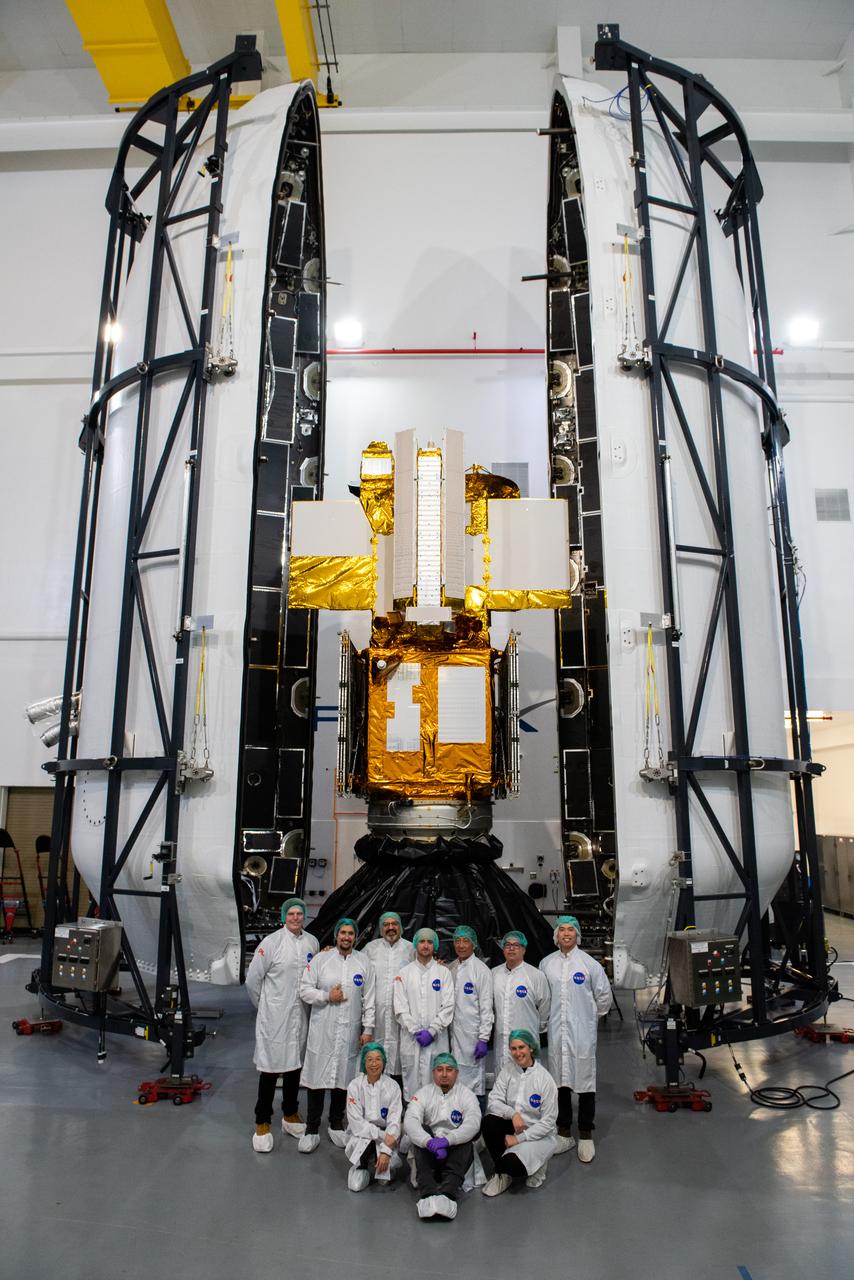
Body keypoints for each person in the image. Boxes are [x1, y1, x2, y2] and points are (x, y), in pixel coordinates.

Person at [245, 896, 318, 1152]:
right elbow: (253, 980)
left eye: (300, 914)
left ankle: (290, 1114)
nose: (296, 918)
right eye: (291, 914)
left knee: (294, 1066)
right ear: (284, 916)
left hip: (300, 1015)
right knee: (270, 1068)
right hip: (275, 1018)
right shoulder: (272, 942)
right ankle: (262, 1120)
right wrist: (266, 1007)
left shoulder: (312, 942)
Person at [298, 917, 376, 1152]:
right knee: (316, 1079)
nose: (346, 937)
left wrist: (368, 1029)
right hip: (323, 1030)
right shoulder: (321, 960)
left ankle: (336, 1124)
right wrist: (326, 997)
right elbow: (304, 989)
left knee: (344, 1078)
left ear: (356, 936)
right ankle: (312, 1129)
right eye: (343, 932)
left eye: (351, 933)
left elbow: (369, 999)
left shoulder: (364, 963)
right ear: (336, 935)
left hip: (350, 1031)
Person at [539, 914, 612, 1162]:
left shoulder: (590, 965)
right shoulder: (546, 964)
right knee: (559, 1081)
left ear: (577, 934)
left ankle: (585, 1133)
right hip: (557, 1032)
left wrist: (588, 1019)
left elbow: (604, 999)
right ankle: (563, 1131)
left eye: (571, 930)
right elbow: (543, 996)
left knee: (585, 1082)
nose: (566, 934)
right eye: (562, 930)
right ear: (556, 935)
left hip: (582, 1033)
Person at [404, 1052, 481, 1220]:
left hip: (454, 1153)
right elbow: (410, 1120)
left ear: (457, 1073)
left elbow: (473, 1123)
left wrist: (447, 1140)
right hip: (430, 1152)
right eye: (439, 1069)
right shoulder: (423, 1093)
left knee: (465, 1137)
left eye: (449, 1069)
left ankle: (448, 1193)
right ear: (433, 1073)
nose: (444, 1074)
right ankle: (428, 1193)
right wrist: (428, 1141)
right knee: (421, 1128)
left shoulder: (467, 1095)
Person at [481, 1029, 558, 1196]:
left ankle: (536, 1165)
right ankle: (501, 1175)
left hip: (538, 1135)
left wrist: (519, 1139)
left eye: (521, 1047)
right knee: (489, 1122)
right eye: (513, 1048)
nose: (517, 1053)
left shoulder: (545, 1080)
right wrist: (513, 1114)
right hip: (514, 1125)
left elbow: (548, 1122)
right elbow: (493, 1101)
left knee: (512, 1166)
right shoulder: (508, 1070)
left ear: (531, 1048)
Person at [393, 926, 455, 1100]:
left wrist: (432, 1030)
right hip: (411, 1039)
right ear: (415, 944)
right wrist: (416, 1030)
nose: (425, 945)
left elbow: (448, 1005)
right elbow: (400, 1007)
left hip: (436, 1039)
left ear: (434, 945)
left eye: (429, 941)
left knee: (437, 1081)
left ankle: (436, 1121)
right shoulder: (404, 974)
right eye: (422, 941)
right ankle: (413, 1120)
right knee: (412, 1082)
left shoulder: (444, 973)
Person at [344, 1041, 404, 1191]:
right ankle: (361, 1166)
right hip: (362, 1134)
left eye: (378, 1059)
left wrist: (386, 1150)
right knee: (355, 1186)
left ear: (384, 1062)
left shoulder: (393, 1087)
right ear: (364, 1062)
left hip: (387, 1136)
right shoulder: (354, 1086)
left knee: (384, 1179)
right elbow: (356, 1122)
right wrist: (383, 1136)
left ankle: (383, 1162)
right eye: (369, 1059)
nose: (374, 1064)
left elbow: (395, 1121)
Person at [363, 911, 411, 1089]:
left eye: (394, 924)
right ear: (381, 928)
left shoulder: (411, 949)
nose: (390, 928)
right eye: (386, 924)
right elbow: (354, 964)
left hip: (402, 1018)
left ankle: (397, 1107)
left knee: (401, 1062)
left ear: (400, 927)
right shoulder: (370, 949)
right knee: (376, 1061)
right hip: (377, 1018)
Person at [491, 930, 550, 1071]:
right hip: (501, 1041)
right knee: (503, 1082)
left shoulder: (535, 975)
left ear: (523, 949)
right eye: (507, 945)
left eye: (516, 945)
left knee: (527, 1083)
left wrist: (538, 1026)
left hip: (527, 1039)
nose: (511, 948)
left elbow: (545, 1007)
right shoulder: (493, 974)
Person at [448, 924, 494, 1103]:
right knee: (454, 1079)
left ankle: (476, 1123)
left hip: (472, 1037)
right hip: (452, 1035)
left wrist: (483, 1038)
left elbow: (486, 1007)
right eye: (457, 941)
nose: (461, 945)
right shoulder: (451, 968)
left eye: (465, 941)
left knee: (473, 1082)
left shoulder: (481, 970)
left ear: (473, 944)